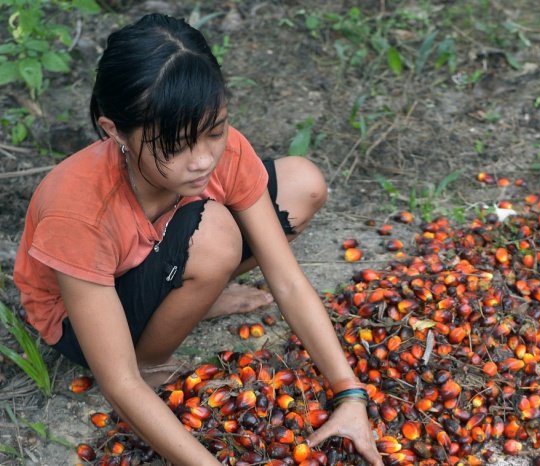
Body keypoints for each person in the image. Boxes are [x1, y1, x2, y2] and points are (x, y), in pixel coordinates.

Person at [12, 13, 383, 466]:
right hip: (82, 319)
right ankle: (156, 354)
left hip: (165, 251)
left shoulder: (216, 154)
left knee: (302, 183)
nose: (203, 160)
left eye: (214, 130)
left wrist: (350, 395)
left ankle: (194, 291)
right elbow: (120, 382)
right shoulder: (78, 208)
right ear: (114, 132)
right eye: (176, 145)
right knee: (215, 237)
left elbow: (284, 279)